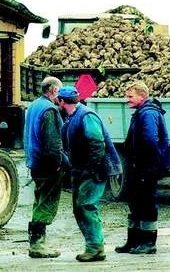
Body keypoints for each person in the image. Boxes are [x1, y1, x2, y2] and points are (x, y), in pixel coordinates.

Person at [58, 86, 122, 262]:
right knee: (79, 207)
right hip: (82, 168)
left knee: (86, 205)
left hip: (94, 169)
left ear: (62, 101)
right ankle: (94, 246)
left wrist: (92, 169)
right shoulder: (72, 117)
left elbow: (97, 143)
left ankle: (95, 248)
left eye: (58, 101)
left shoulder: (86, 116)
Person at [115, 81, 170, 255]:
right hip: (140, 166)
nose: (127, 100)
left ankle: (148, 242)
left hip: (146, 167)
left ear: (142, 96)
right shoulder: (142, 113)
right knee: (136, 202)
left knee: (146, 203)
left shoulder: (148, 114)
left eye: (130, 96)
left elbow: (150, 140)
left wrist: (146, 165)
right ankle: (133, 241)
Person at [24, 76, 64, 258]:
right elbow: (53, 142)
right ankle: (38, 245)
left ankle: (36, 242)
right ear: (54, 90)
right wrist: (57, 164)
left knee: (39, 199)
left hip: (35, 161)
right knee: (46, 201)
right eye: (60, 91)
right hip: (46, 164)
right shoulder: (50, 110)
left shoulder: (33, 106)